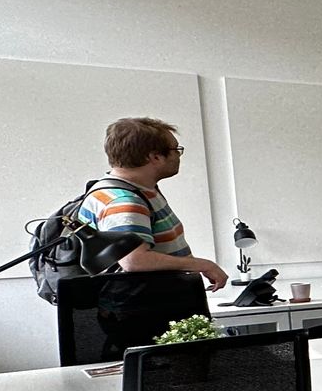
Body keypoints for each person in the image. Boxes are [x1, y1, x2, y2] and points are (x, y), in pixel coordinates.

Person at [75, 117, 229, 290]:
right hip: (145, 309)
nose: (178, 155)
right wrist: (203, 265)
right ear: (155, 157)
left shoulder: (132, 189)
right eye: (175, 149)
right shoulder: (125, 203)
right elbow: (134, 261)